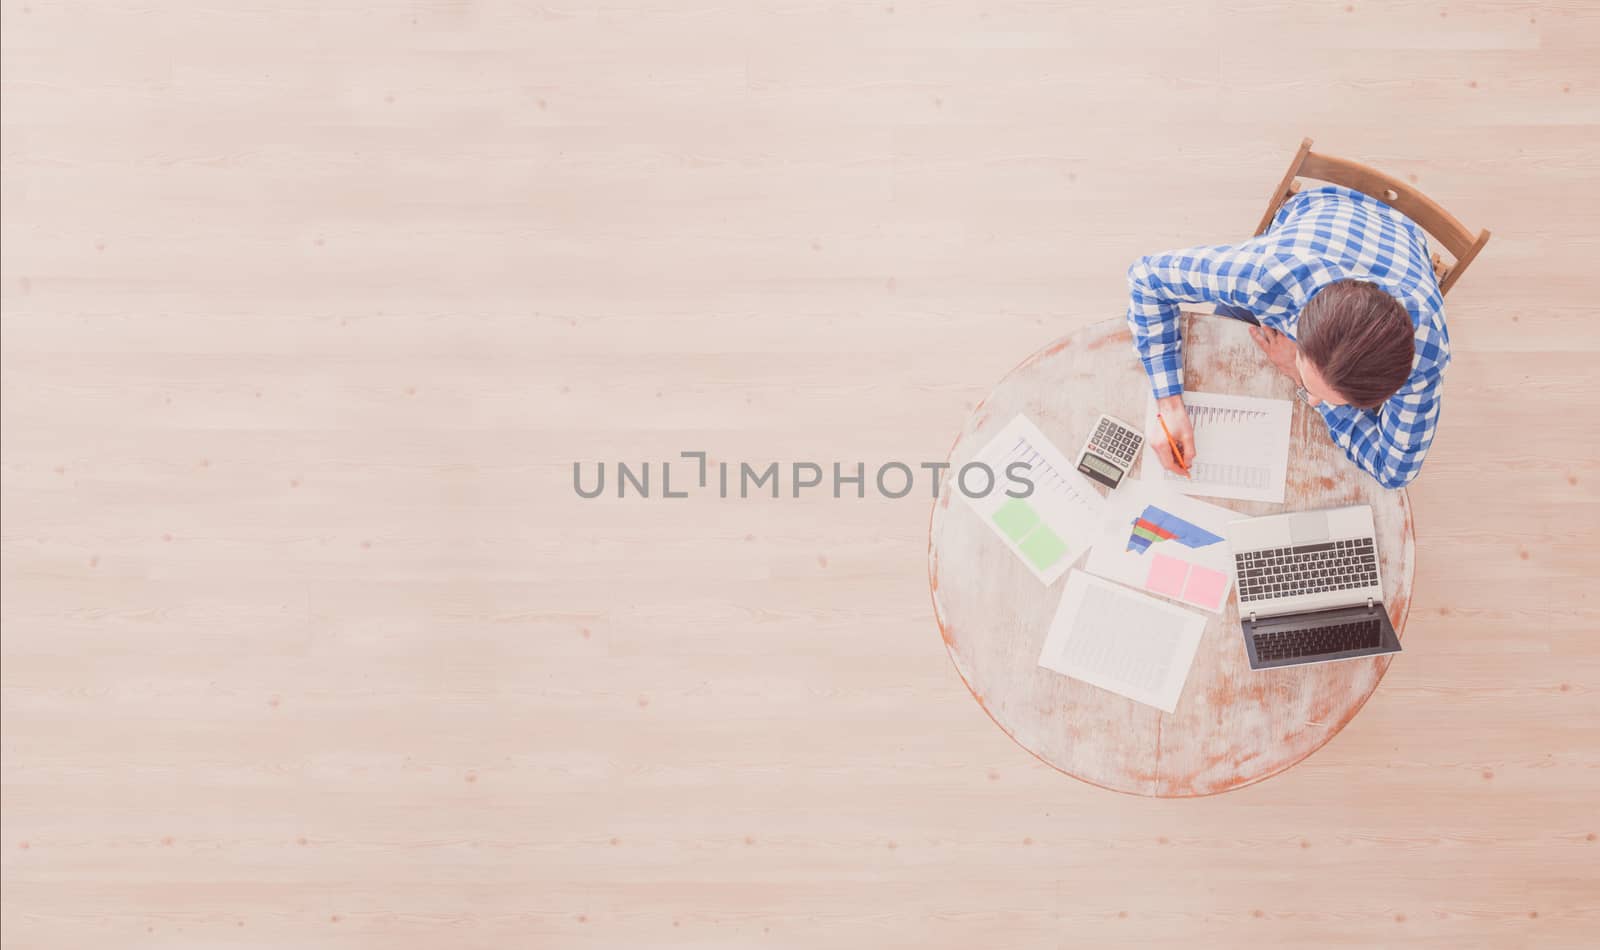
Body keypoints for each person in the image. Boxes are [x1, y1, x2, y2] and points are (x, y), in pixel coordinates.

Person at [1125, 184, 1450, 489]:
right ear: (1299, 328)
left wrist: (1299, 374)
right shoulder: (1264, 274)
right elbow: (1145, 277)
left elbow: (1393, 471)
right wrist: (1168, 405)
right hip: (1322, 205)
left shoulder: (1425, 354)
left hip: (1403, 243)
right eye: (1312, 387)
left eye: (1327, 398)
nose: (1316, 401)